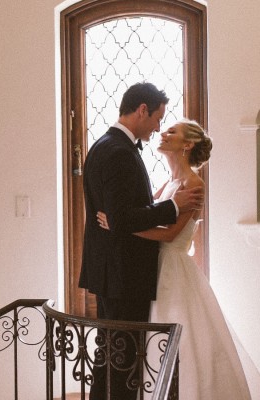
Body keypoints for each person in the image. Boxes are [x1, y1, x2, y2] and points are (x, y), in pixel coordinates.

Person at [78, 82, 203, 400]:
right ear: (142, 110)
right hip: (124, 276)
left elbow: (122, 215)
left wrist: (119, 220)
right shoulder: (120, 152)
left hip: (112, 273)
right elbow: (124, 217)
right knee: (124, 364)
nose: (159, 127)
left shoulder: (103, 146)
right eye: (158, 118)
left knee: (110, 359)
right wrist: (174, 205)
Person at [112, 119, 250, 399]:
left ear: (187, 145)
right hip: (156, 267)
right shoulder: (171, 181)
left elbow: (172, 234)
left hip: (173, 270)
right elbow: (149, 213)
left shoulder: (193, 183)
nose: (164, 133)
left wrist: (121, 226)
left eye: (172, 132)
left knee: (181, 339)